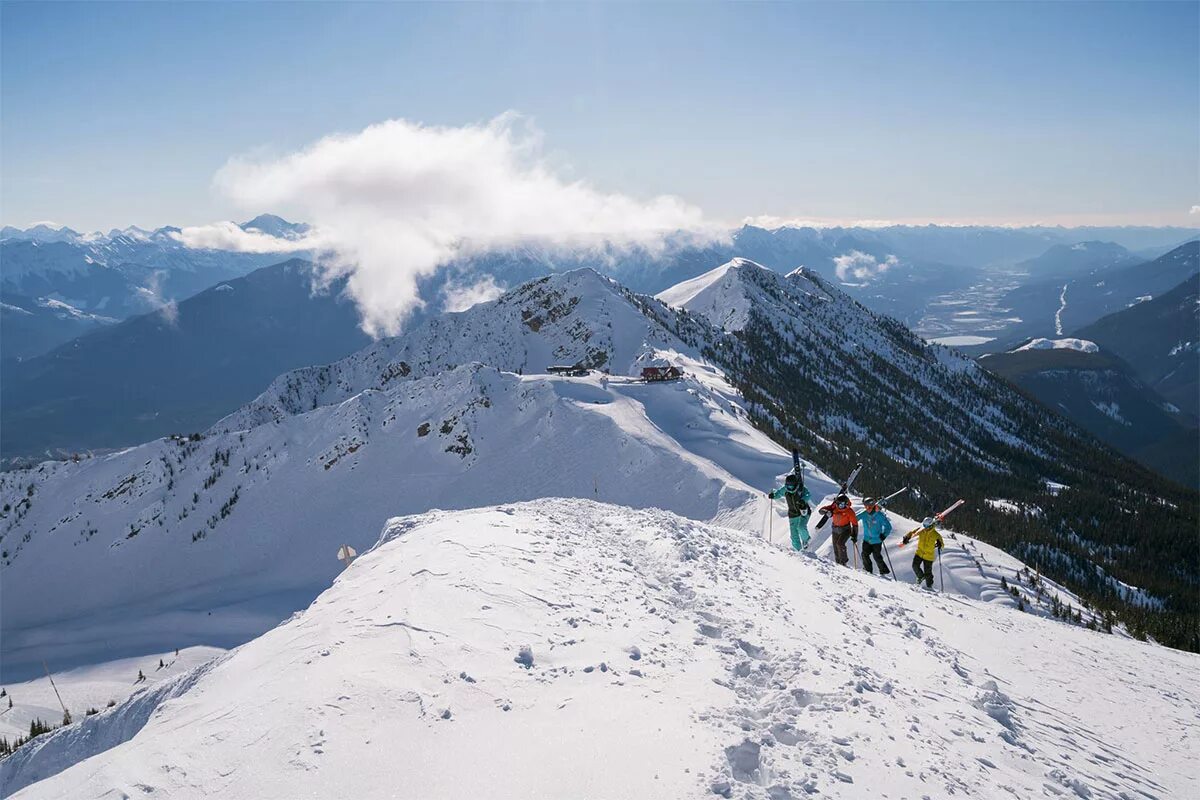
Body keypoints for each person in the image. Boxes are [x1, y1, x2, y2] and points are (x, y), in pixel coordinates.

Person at [767, 472, 811, 550]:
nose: (790, 488)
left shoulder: (801, 489)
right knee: (794, 535)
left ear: (795, 485)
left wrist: (803, 500)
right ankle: (798, 551)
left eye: (791, 486)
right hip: (793, 514)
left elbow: (808, 495)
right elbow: (778, 493)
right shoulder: (785, 489)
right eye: (788, 486)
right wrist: (773, 495)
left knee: (801, 527)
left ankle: (806, 540)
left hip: (803, 512)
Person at [902, 517, 944, 589]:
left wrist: (940, 544)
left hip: (929, 556)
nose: (924, 527)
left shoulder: (936, 534)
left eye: (926, 526)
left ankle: (929, 586)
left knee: (928, 573)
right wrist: (907, 537)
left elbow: (942, 545)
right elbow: (912, 533)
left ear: (930, 525)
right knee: (915, 566)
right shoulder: (921, 530)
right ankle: (920, 576)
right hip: (919, 552)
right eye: (923, 525)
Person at [819, 493, 859, 566]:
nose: (840, 506)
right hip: (835, 529)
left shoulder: (849, 511)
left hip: (845, 530)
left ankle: (843, 562)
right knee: (835, 547)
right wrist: (825, 511)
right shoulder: (834, 507)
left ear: (846, 504)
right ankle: (838, 563)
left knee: (840, 544)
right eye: (838, 504)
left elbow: (855, 524)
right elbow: (822, 510)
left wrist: (854, 535)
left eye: (842, 504)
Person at [856, 497, 892, 575]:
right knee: (864, 555)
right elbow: (855, 518)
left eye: (869, 507)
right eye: (866, 507)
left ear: (873, 506)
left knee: (877, 556)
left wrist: (884, 535)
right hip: (867, 540)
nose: (867, 508)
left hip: (877, 540)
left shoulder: (879, 515)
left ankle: (883, 571)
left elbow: (888, 527)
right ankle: (868, 570)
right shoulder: (864, 514)